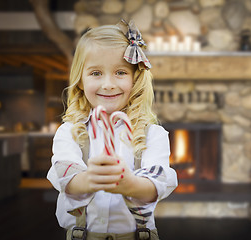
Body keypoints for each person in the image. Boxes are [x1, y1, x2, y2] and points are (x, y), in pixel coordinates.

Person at [47, 19, 178, 240]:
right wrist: (90, 178)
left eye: (120, 72)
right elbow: (66, 179)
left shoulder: (151, 135)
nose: (108, 83)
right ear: (80, 80)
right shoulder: (69, 133)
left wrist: (130, 184)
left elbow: (156, 185)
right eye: (96, 73)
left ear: (135, 78)